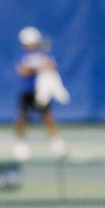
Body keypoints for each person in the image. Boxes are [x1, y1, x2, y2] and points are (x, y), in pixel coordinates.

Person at [14, 26, 65, 159]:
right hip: (27, 91)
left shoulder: (41, 54)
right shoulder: (22, 54)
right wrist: (37, 67)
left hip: (40, 92)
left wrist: (43, 65)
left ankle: (56, 143)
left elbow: (51, 65)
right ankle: (20, 144)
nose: (31, 45)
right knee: (23, 118)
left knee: (48, 117)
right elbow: (22, 71)